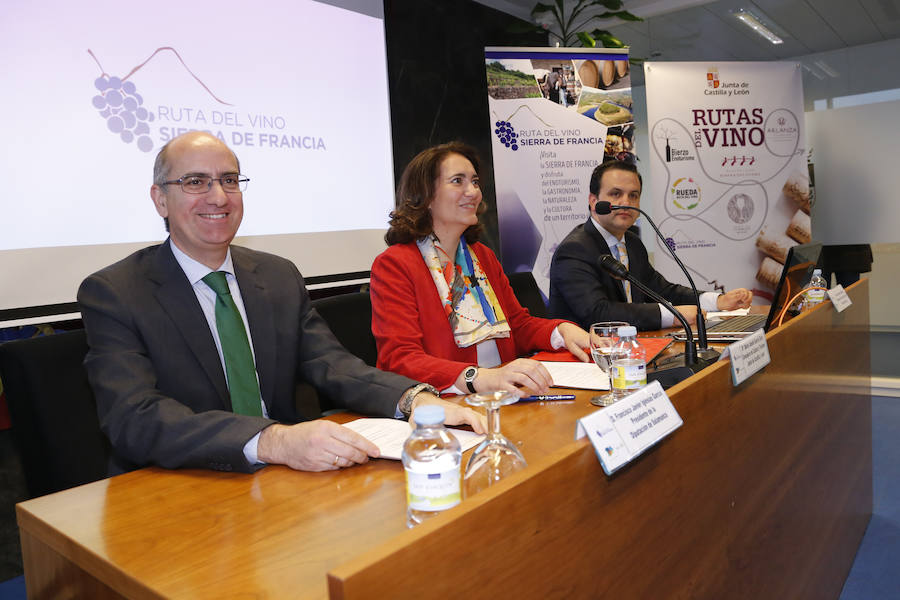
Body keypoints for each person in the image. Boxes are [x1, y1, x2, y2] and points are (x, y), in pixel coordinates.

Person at [78, 132, 485, 475]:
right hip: (179, 482)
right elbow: (135, 416)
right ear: (160, 199)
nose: (218, 196)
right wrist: (271, 440)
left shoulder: (276, 276)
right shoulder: (116, 292)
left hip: (286, 478)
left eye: (230, 180)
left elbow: (331, 364)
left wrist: (415, 399)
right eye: (196, 182)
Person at [369, 142, 590, 397]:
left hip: (502, 395)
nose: (472, 191)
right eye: (457, 181)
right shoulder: (395, 265)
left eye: (474, 181)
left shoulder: (482, 256)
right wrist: (479, 376)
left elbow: (517, 326)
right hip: (445, 403)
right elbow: (401, 359)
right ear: (426, 196)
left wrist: (561, 331)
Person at [548, 160, 752, 331]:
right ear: (594, 201)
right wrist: (672, 314)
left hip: (628, 349)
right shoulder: (575, 250)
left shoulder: (632, 242)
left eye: (633, 195)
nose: (626, 202)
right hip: (584, 361)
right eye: (616, 194)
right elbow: (598, 313)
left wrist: (717, 301)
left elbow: (661, 290)